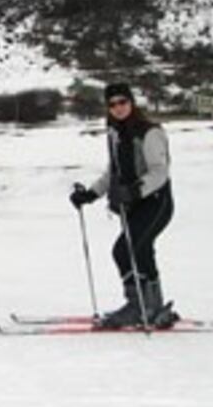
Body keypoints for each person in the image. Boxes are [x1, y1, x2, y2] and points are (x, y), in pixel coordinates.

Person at [69, 82, 179, 328]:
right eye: (112, 104)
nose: (118, 108)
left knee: (125, 251)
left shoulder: (149, 132)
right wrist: (90, 194)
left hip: (156, 202)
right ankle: (152, 307)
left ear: (131, 102)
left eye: (122, 102)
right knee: (141, 251)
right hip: (133, 205)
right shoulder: (116, 133)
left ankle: (138, 306)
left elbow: (160, 172)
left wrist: (133, 190)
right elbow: (114, 172)